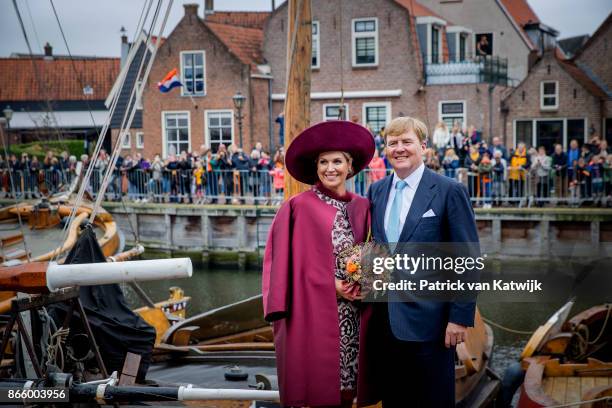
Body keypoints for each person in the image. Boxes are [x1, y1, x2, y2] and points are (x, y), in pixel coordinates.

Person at [262, 121, 379, 407]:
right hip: (311, 310)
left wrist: (365, 284)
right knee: (316, 386)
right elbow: (281, 264)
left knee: (349, 386)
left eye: (337, 161)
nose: (330, 168)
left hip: (353, 312)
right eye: (323, 162)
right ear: (316, 167)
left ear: (349, 166)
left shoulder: (363, 206)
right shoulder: (297, 206)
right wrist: (331, 284)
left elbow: (371, 252)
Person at [366, 116, 478, 407]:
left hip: (432, 324)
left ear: (423, 146)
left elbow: (467, 257)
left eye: (406, 142)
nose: (399, 148)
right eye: (392, 143)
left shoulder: (448, 190)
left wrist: (459, 318)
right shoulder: (376, 192)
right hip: (385, 323)